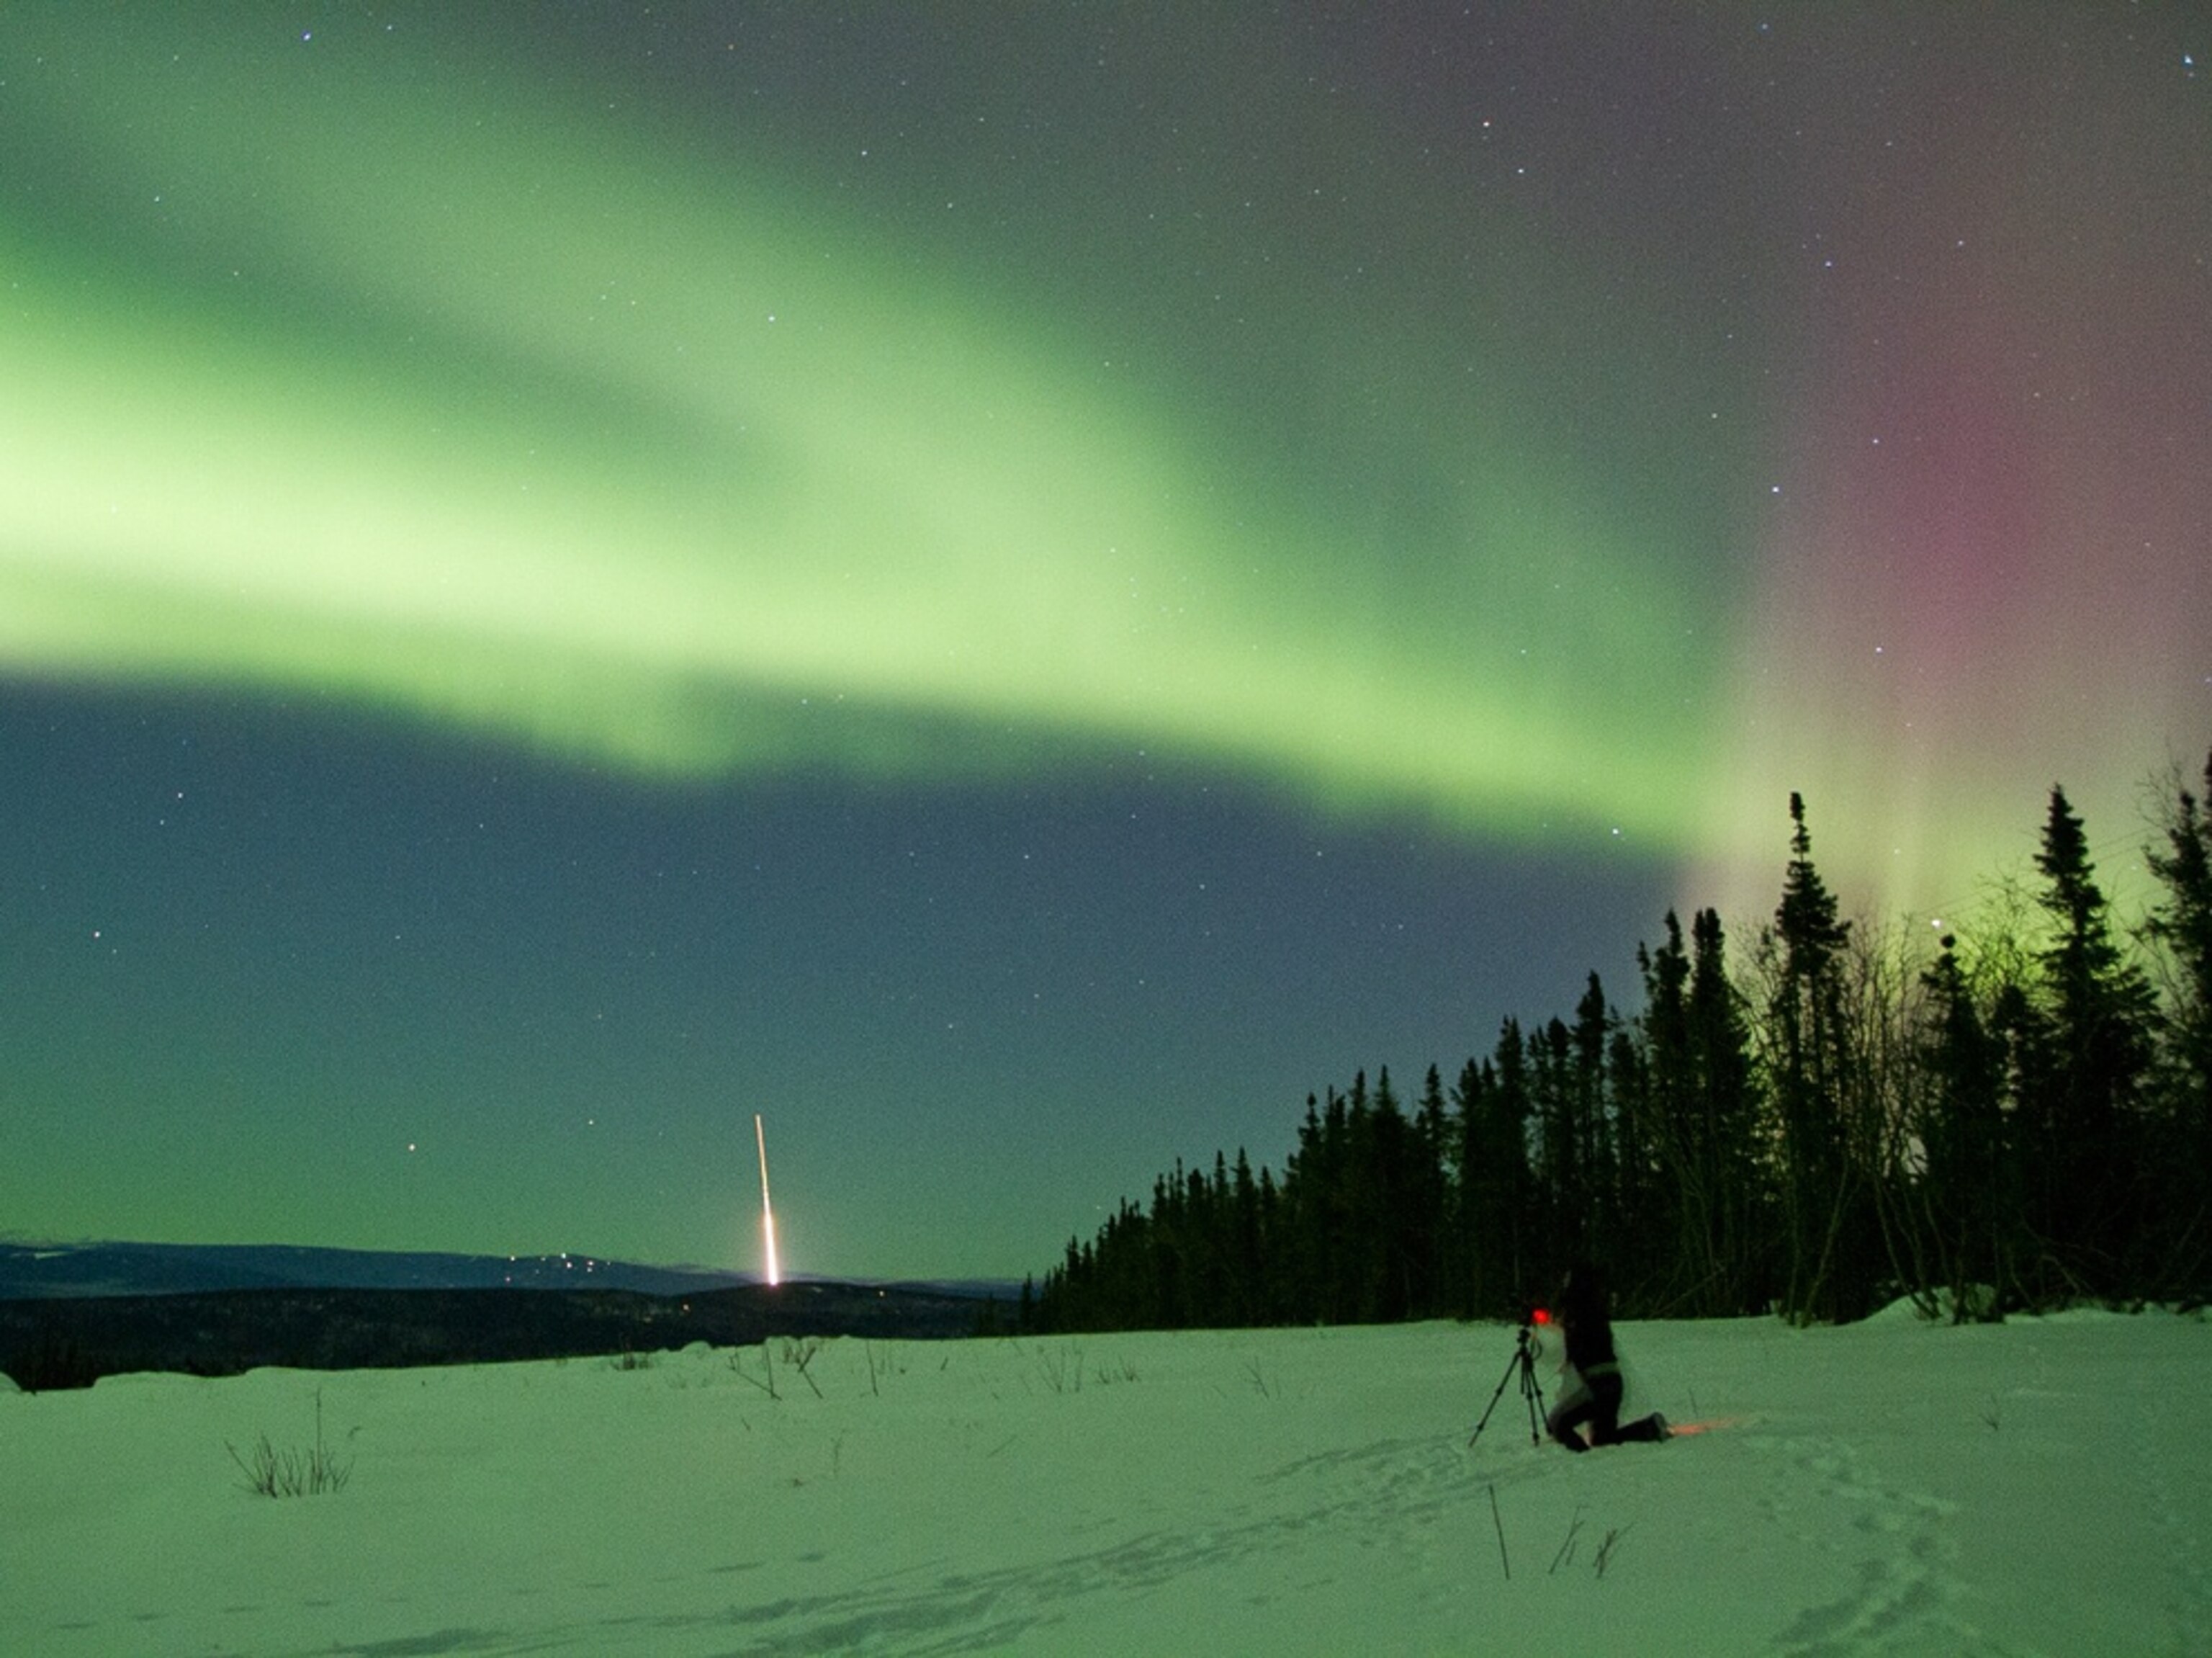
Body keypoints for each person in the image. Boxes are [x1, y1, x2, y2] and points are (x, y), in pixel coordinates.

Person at [1545, 1260, 1668, 1451]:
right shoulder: (1593, 1310)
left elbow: (1568, 1347)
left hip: (1597, 1385)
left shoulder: (1580, 1314)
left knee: (1558, 1424)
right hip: (1610, 1383)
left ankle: (1582, 1456)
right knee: (1603, 1437)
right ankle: (1649, 1428)